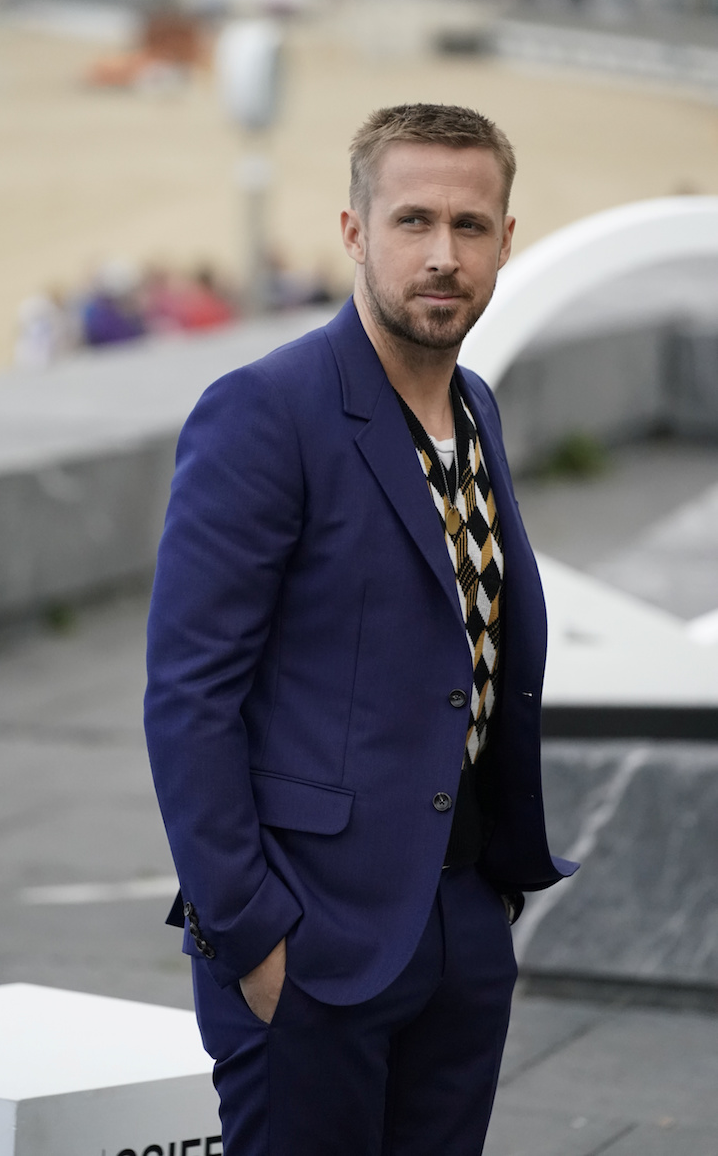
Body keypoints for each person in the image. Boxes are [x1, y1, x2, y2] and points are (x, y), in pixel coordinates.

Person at [144, 103, 577, 1156]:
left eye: (470, 228)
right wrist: (251, 934)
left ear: (506, 241)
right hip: (312, 938)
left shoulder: (474, 405)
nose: (442, 256)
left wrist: (489, 903)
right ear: (353, 232)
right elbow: (188, 695)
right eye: (412, 221)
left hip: (464, 920)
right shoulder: (264, 411)